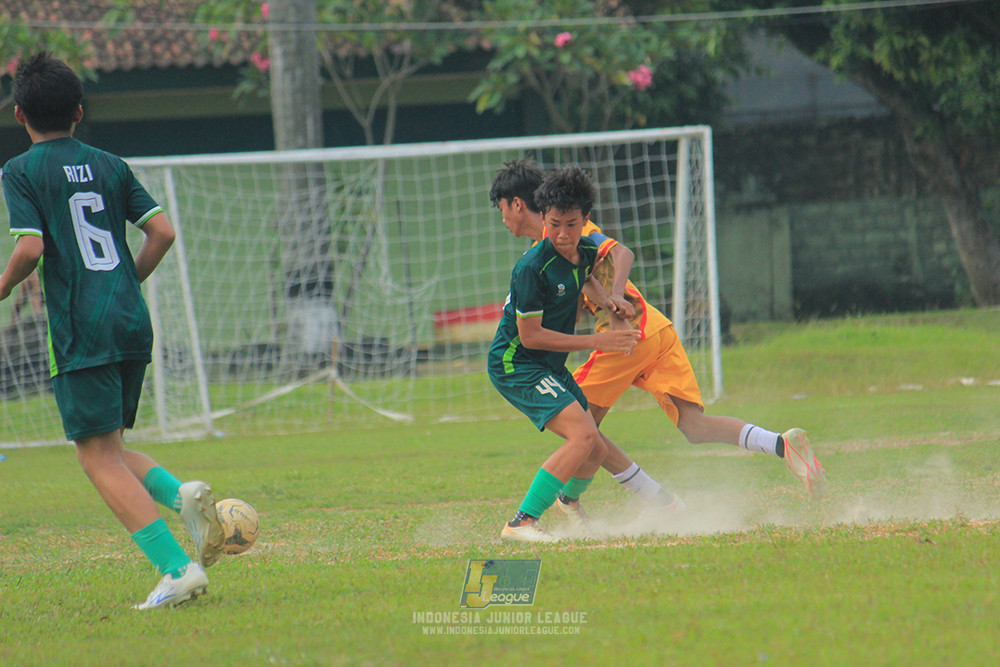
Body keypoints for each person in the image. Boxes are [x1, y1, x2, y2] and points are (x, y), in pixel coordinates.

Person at [0, 53, 225, 609]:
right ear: (79, 110)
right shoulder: (111, 163)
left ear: (19, 112)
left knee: (94, 456)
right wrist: (127, 282)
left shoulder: (21, 171)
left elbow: (30, 247)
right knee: (112, 446)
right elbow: (163, 232)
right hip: (130, 319)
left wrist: (3, 286)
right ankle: (182, 494)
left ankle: (176, 569)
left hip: (82, 328)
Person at [489, 159, 826, 524]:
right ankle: (781, 443)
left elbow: (620, 253)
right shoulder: (557, 241)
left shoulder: (567, 232)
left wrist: (615, 302)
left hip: (624, 338)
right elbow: (582, 284)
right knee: (695, 427)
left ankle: (649, 502)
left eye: (501, 207)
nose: (503, 218)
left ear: (517, 204)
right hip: (656, 330)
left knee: (584, 431)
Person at [488, 165, 643, 543]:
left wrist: (610, 302)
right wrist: (598, 342)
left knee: (594, 446)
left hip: (549, 365)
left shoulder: (585, 251)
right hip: (516, 364)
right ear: (543, 218)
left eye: (572, 225)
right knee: (582, 437)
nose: (562, 234)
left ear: (585, 220)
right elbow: (531, 337)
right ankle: (521, 522)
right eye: (555, 224)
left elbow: (585, 278)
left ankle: (569, 503)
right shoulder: (530, 267)